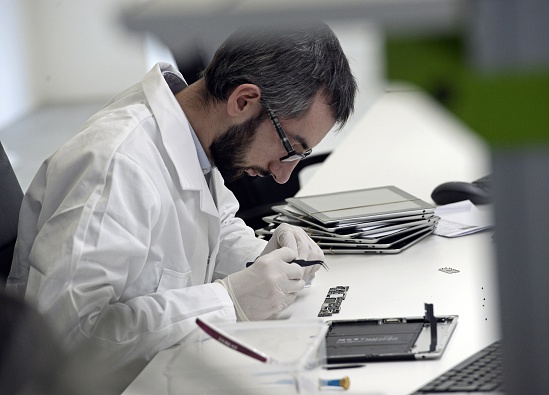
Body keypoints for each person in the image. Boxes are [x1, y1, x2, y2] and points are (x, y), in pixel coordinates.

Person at [6, 22, 357, 391]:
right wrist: (228, 300)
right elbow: (66, 343)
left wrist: (263, 259)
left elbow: (214, 225)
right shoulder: (115, 165)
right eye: (289, 149)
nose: (282, 175)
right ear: (243, 101)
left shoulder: (198, 136)